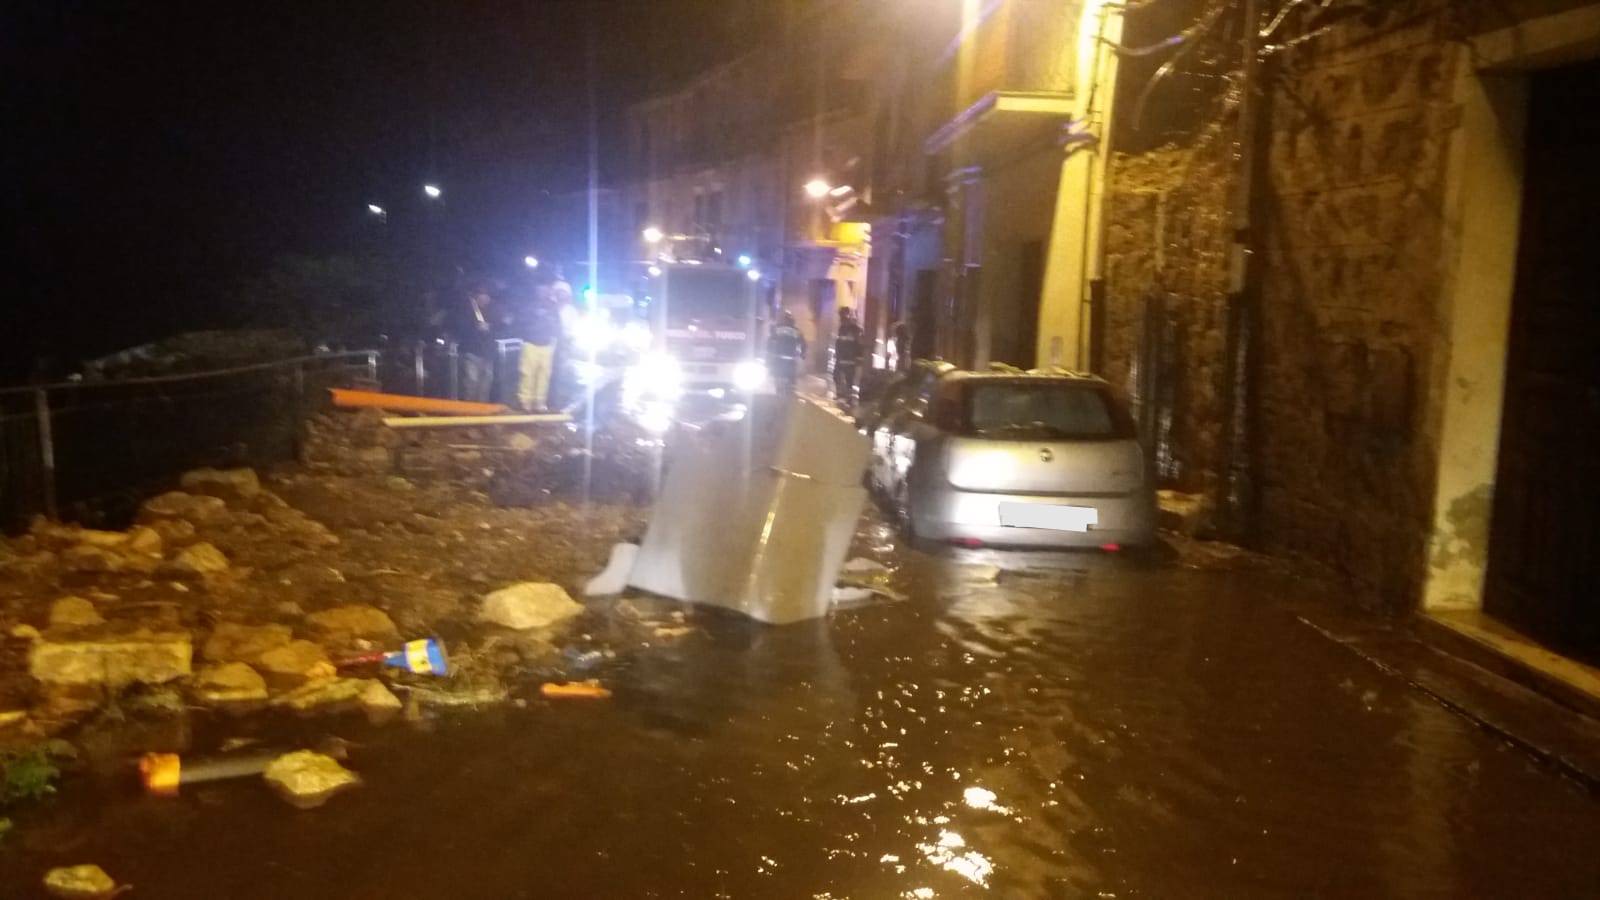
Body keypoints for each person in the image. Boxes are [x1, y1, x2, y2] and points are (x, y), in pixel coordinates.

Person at [441, 281, 500, 402]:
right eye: (482, 295)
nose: (484, 298)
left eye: (487, 295)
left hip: (488, 354)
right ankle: (470, 409)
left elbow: (500, 329)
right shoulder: (467, 312)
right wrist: (475, 327)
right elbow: (460, 329)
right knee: (471, 382)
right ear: (476, 297)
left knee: (485, 384)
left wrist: (489, 327)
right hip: (472, 353)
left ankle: (483, 411)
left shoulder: (494, 312)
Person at [513, 279, 561, 412]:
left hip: (547, 345)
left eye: (546, 289)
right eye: (541, 289)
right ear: (536, 290)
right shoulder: (528, 306)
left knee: (544, 375)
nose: (543, 292)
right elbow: (521, 323)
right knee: (527, 374)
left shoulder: (552, 306)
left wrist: (555, 337)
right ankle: (525, 401)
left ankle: (540, 402)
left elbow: (557, 324)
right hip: (531, 344)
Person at [767, 309, 806, 395]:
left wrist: (769, 352)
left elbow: (770, 341)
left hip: (779, 358)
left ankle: (780, 390)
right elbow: (803, 343)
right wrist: (803, 354)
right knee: (791, 378)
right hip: (791, 359)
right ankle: (791, 388)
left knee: (778, 376)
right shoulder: (797, 331)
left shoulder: (777, 329)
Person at [833, 306, 864, 407]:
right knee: (839, 376)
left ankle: (846, 397)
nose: (840, 318)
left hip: (848, 358)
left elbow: (858, 343)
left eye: (841, 316)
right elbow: (839, 342)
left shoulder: (853, 328)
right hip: (844, 358)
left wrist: (859, 356)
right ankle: (843, 395)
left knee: (848, 378)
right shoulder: (843, 327)